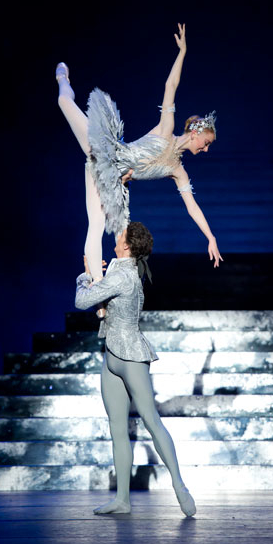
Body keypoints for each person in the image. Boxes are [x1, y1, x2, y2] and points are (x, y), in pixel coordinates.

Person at [57, 23, 223, 286]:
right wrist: (182, 53)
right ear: (194, 132)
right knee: (64, 102)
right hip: (108, 152)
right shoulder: (166, 129)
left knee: (100, 228)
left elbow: (192, 207)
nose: (206, 149)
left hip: (117, 184)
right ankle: (63, 81)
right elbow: (171, 85)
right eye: (206, 142)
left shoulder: (178, 171)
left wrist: (211, 237)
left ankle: (99, 298)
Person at [75, 221, 196, 517]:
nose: (116, 236)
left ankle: (180, 485)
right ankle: (122, 499)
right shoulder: (119, 271)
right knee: (118, 429)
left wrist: (84, 278)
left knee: (151, 420)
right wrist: (95, 274)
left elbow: (81, 301)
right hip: (112, 355)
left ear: (127, 245)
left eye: (120, 235)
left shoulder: (123, 278)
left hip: (131, 358)